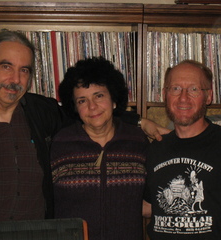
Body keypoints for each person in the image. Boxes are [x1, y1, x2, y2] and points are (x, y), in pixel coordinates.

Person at [0, 30, 167, 223]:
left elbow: (90, 113)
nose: (15, 78)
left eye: (24, 70)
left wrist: (140, 122)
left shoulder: (42, 113)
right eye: (6, 66)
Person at [143, 60, 221, 240]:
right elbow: (148, 207)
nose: (183, 97)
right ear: (165, 95)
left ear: (208, 96)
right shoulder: (155, 149)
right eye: (175, 88)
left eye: (194, 89)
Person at [50, 57, 149, 240]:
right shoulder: (60, 145)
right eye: (82, 101)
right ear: (75, 107)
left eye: (99, 95)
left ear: (113, 98)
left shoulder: (137, 141)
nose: (92, 106)